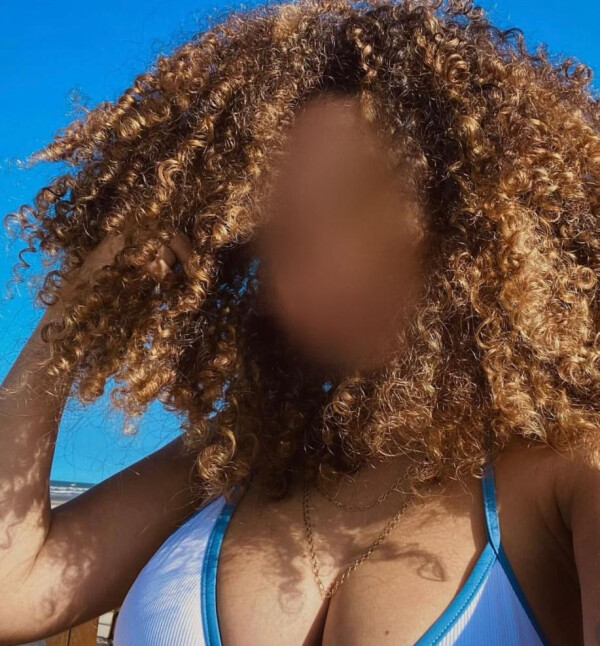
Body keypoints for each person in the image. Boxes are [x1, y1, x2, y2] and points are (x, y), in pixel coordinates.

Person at [1, 0, 600, 644]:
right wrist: (77, 307)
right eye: (285, 233)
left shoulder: (569, 471)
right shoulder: (229, 462)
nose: (333, 261)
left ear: (477, 214)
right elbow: (13, 590)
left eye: (362, 199)